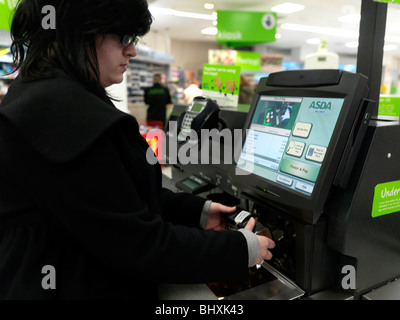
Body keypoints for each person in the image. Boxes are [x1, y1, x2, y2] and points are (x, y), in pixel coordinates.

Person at [0, 0, 275, 300]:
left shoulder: (40, 93)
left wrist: (197, 211)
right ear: (80, 33)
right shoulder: (64, 116)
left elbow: (111, 196)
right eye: (124, 38)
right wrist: (242, 248)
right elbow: (139, 246)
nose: (131, 50)